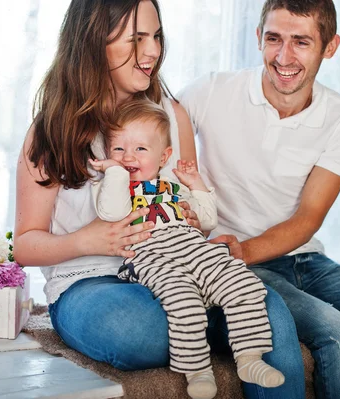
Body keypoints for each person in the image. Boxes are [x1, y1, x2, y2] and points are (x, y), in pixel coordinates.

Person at [13, 1, 305, 398]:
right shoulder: (51, 131)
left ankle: (230, 327)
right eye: (137, 39)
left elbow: (193, 207)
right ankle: (223, 328)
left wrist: (195, 218)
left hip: (177, 266)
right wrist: (87, 240)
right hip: (90, 282)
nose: (152, 51)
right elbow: (26, 244)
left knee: (270, 308)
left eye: (156, 37)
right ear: (93, 41)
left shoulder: (172, 116)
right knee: (135, 330)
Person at [178, 0, 340, 398]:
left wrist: (244, 249)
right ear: (258, 37)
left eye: (301, 42)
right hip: (236, 265)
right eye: (274, 38)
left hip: (304, 258)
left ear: (330, 47)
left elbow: (309, 217)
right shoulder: (210, 91)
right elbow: (151, 128)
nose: (284, 56)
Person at [88, 99, 285, 399]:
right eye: (118, 149)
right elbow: (112, 213)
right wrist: (114, 172)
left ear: (164, 156)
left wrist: (196, 185)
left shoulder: (173, 188)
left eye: (140, 149)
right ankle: (198, 370)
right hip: (151, 256)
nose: (128, 156)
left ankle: (249, 357)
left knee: (243, 282)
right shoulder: (114, 187)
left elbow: (207, 220)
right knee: (182, 299)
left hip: (194, 249)